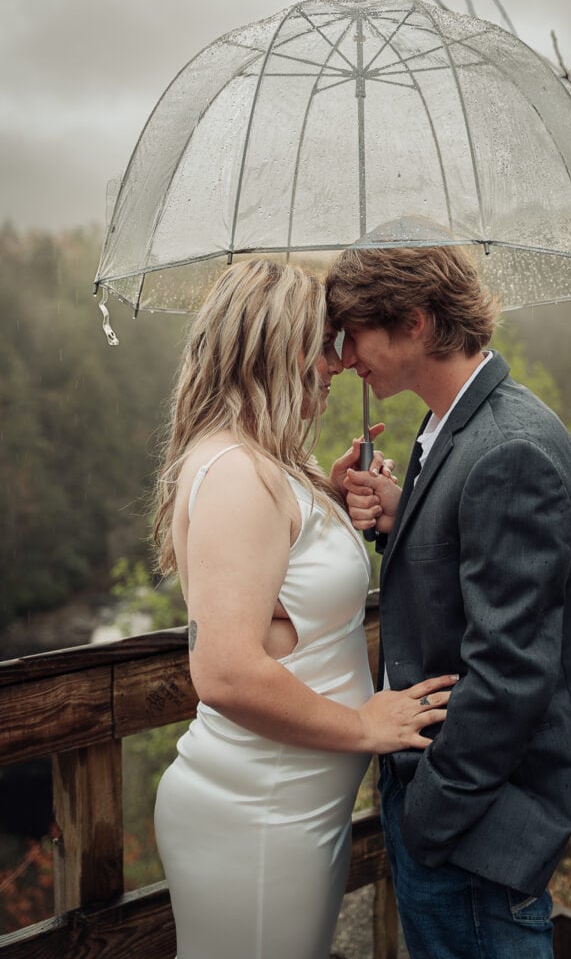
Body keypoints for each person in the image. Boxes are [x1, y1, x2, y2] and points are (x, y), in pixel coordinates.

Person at [152, 258, 456, 959]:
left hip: (289, 806)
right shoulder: (235, 473)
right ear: (280, 348)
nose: (340, 362)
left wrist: (329, 498)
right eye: (325, 343)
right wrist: (360, 725)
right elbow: (226, 672)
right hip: (257, 813)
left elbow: (287, 597)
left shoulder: (267, 463)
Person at [326, 233, 571, 959]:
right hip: (452, 807)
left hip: (475, 827)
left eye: (352, 332)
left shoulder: (509, 449)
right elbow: (467, 577)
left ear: (414, 321)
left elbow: (511, 670)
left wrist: (430, 812)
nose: (343, 355)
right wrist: (402, 518)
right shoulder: (451, 427)